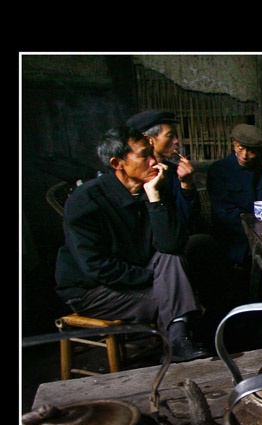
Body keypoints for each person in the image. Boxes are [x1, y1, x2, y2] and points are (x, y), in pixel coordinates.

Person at [54, 125, 211, 363]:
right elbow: (98, 267)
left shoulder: (155, 186)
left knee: (174, 259)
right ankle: (180, 342)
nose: (153, 160)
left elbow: (172, 246)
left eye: (152, 152)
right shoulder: (85, 202)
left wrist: (155, 199)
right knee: (184, 299)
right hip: (94, 290)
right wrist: (155, 278)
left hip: (144, 274)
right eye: (143, 156)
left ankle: (180, 343)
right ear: (117, 163)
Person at [128, 109, 238, 343]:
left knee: (206, 247)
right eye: (170, 135)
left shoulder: (170, 170)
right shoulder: (136, 175)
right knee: (202, 246)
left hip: (175, 242)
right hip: (151, 252)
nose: (177, 141)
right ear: (149, 140)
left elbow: (186, 219)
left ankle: (217, 323)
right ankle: (201, 328)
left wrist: (186, 184)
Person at [206, 123, 262, 266]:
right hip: (234, 236)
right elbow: (224, 213)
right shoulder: (219, 170)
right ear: (234, 144)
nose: (245, 155)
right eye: (240, 148)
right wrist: (254, 232)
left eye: (251, 151)